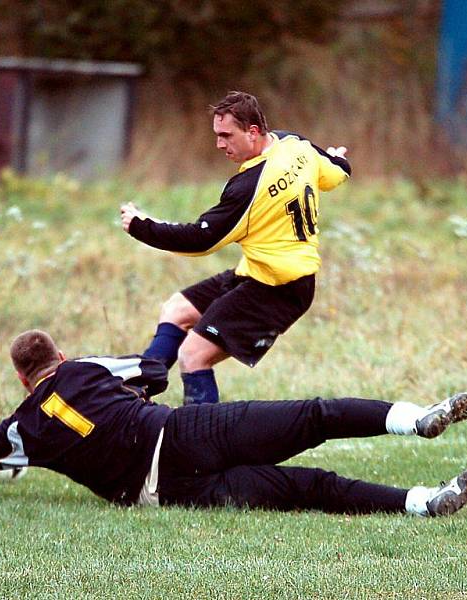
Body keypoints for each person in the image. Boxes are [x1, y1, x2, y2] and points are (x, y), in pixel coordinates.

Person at [0, 330, 467, 517]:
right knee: (311, 418)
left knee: (309, 487)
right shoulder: (86, 368)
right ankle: (414, 420)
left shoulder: (20, 430)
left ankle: (426, 503)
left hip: (162, 493)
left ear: (21, 380)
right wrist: (171, 332)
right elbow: (152, 370)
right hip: (181, 434)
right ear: (59, 358)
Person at [120, 91, 351, 405]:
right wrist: (339, 158)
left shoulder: (249, 188)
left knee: (193, 356)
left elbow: (202, 240)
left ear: (253, 132)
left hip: (280, 289)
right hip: (255, 274)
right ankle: (134, 396)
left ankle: (202, 444)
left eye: (226, 135)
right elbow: (335, 172)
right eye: (216, 135)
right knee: (177, 310)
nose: (219, 144)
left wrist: (140, 225)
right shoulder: (295, 145)